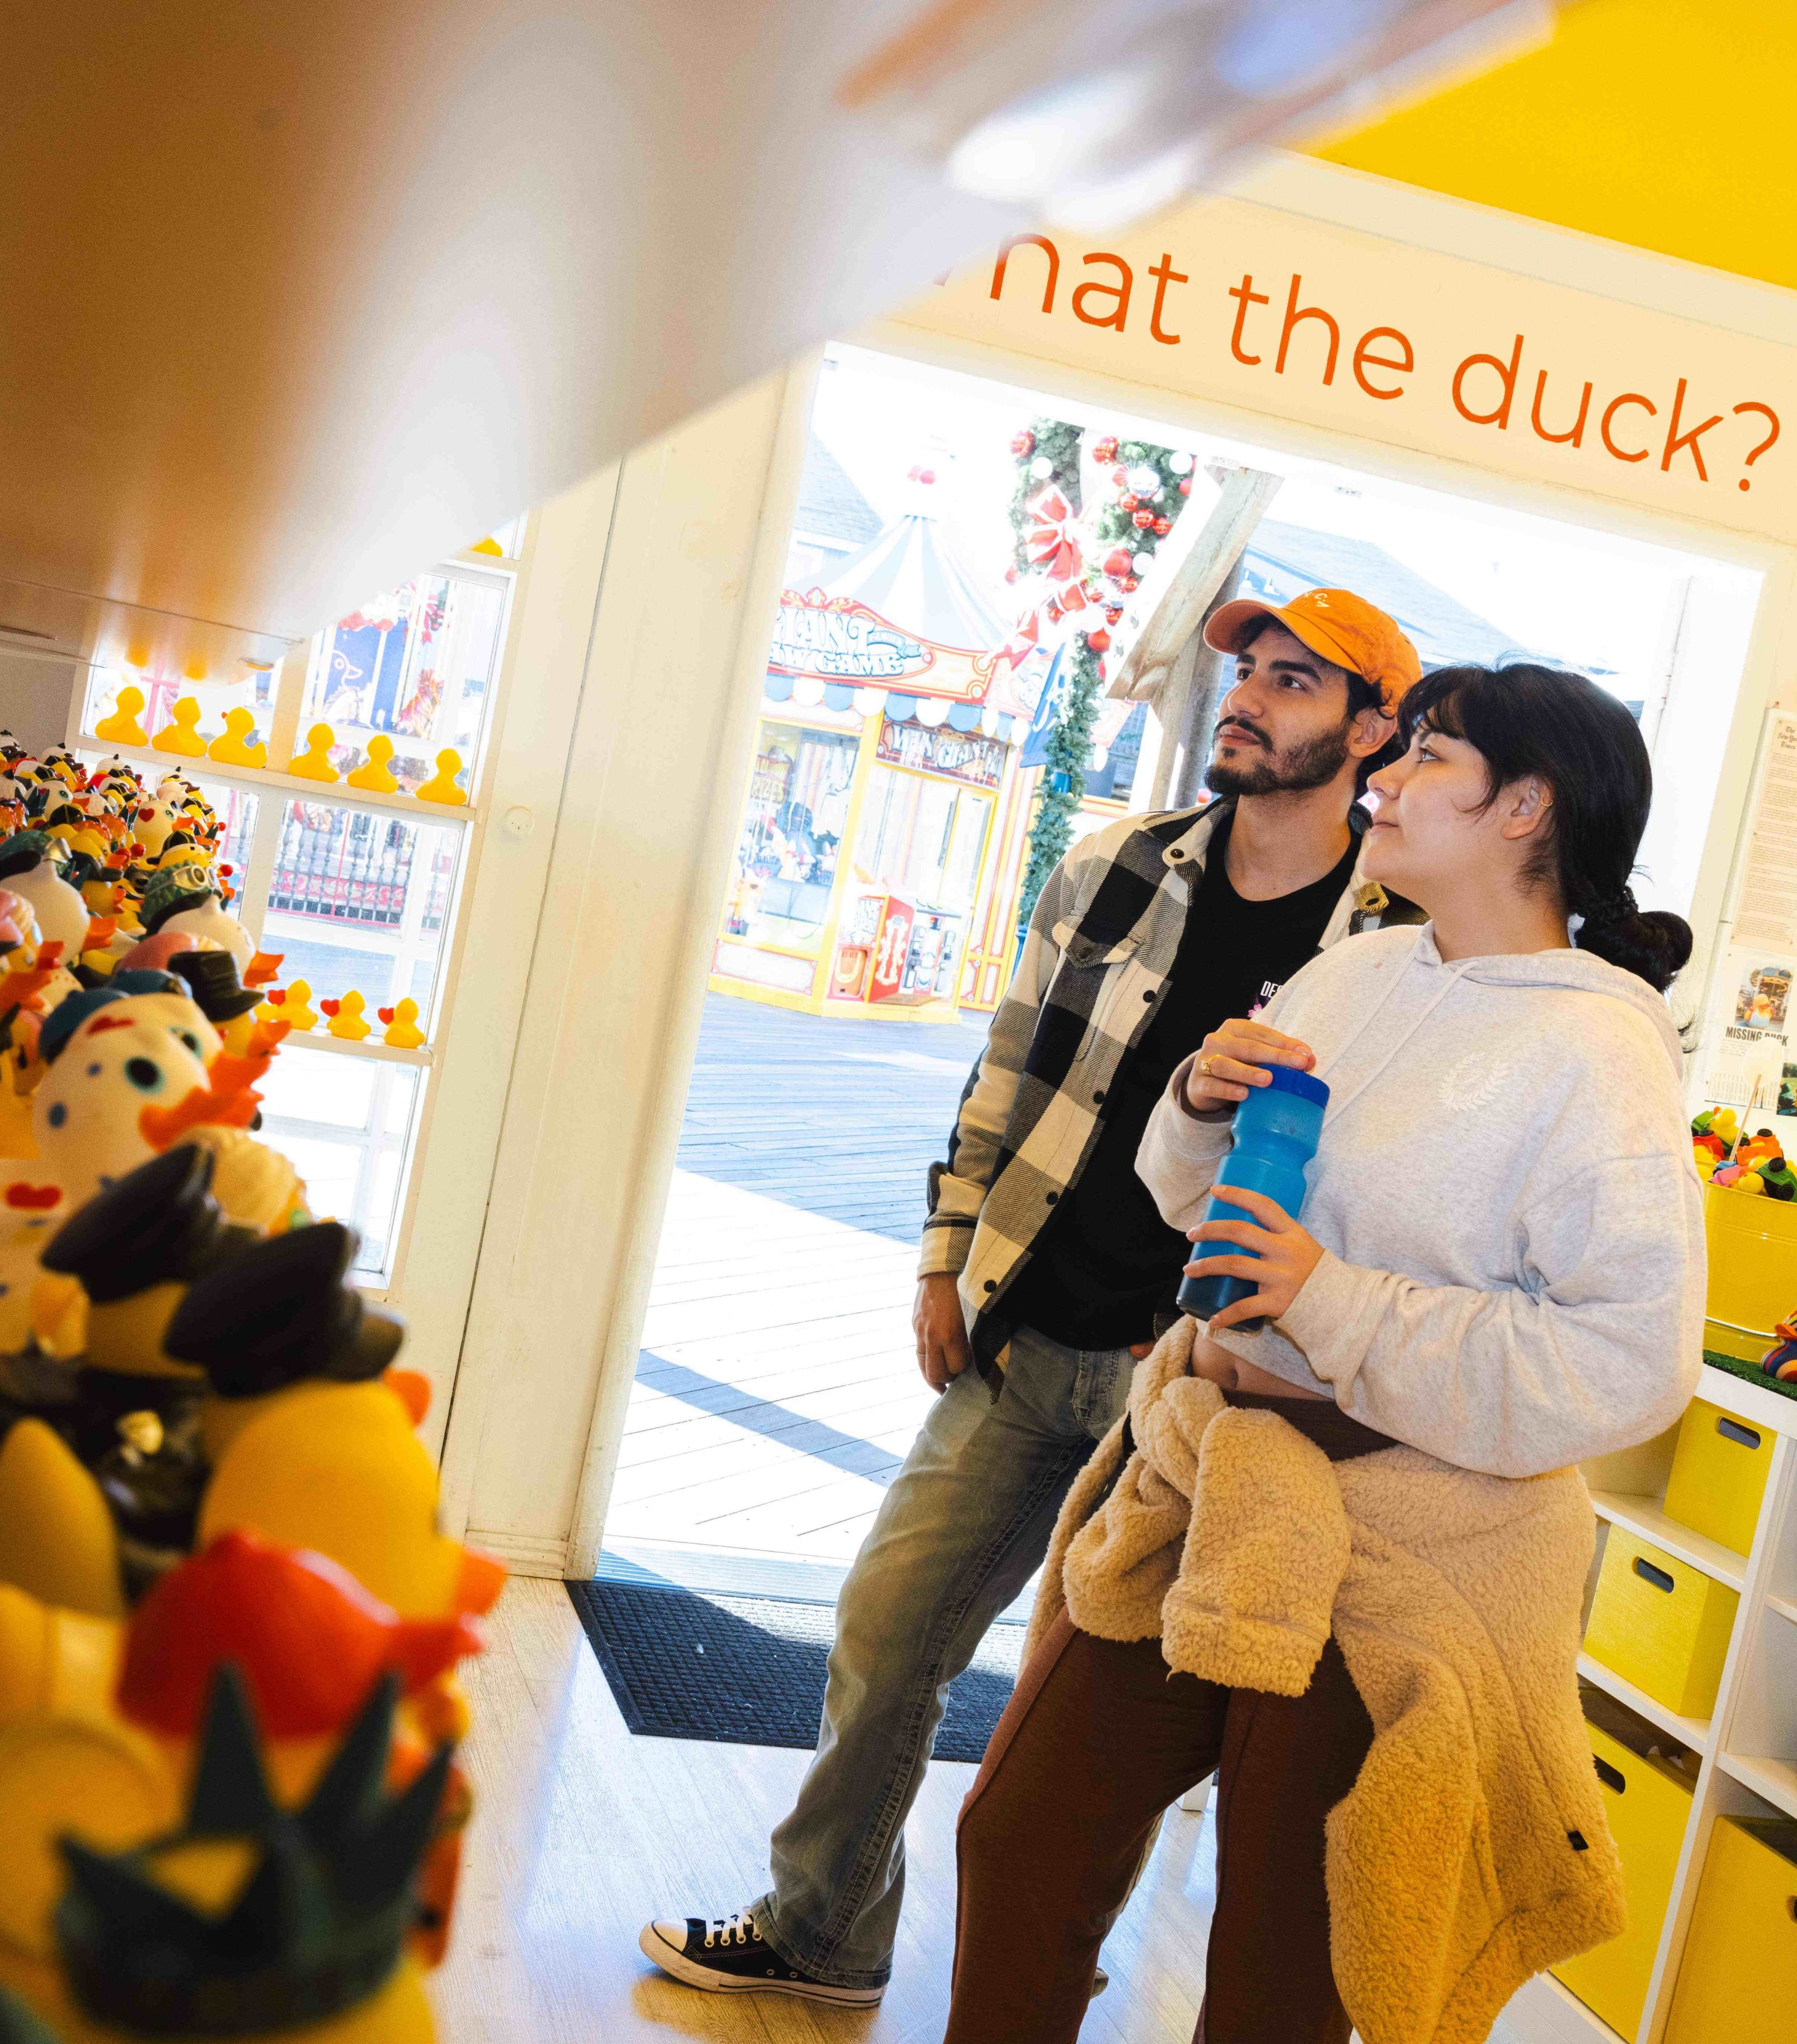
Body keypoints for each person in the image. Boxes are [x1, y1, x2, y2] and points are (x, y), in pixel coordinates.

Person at [640, 587, 1426, 2005]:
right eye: (1246, 671)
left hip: (1190, 1389)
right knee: (887, 1626)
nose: (1246, 698)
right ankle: (822, 1928)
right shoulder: (1120, 865)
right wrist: (947, 1256)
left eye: (1295, 682)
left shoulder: (1397, 946)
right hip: (1025, 1333)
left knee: (1093, 1734)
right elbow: (1006, 1071)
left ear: (1375, 731)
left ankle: (1039, 1982)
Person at [946, 663, 1704, 2043]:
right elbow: (1206, 1206)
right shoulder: (1356, 968)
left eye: (1428, 760)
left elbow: (1628, 1358)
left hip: (1403, 1536)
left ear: (1526, 806)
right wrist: (1192, 1103)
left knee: (1279, 1969)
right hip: (1210, 1477)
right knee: (1020, 1835)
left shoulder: (1597, 1050)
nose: (1385, 780)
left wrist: (1336, 1300)